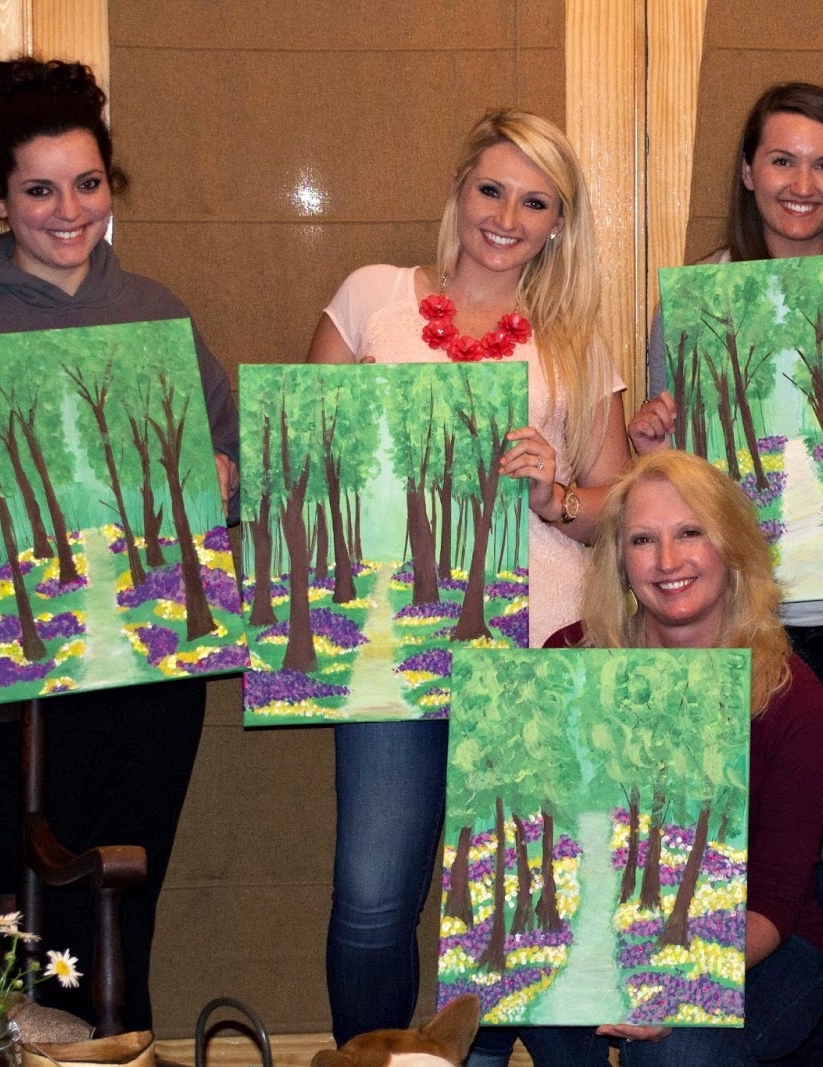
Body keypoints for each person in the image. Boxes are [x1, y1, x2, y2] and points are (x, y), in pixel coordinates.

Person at [0, 56, 239, 1030]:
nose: (69, 211)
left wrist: (225, 477)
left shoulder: (156, 314)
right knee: (20, 915)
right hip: (11, 680)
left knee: (125, 898)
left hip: (149, 674)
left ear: (111, 185)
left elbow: (233, 454)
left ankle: (121, 1046)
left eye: (87, 183)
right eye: (39, 190)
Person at [305, 109, 630, 1046]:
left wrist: (554, 492)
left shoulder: (575, 340)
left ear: (559, 223)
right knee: (372, 895)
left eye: (536, 202)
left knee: (511, 901)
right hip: (390, 639)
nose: (507, 217)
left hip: (534, 647)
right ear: (458, 190)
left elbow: (619, 505)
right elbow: (308, 465)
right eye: (492, 189)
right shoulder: (372, 298)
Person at [493, 448, 823, 1065]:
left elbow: (776, 901)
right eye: (643, 540)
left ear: (731, 546)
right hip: (600, 931)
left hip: (761, 944)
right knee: (543, 1005)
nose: (668, 561)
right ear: (620, 560)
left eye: (690, 533)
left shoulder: (790, 695)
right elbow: (535, 854)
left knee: (679, 1048)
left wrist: (667, 979)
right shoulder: (568, 661)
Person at [626, 81, 823, 727]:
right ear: (748, 172)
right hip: (738, 618)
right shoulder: (695, 302)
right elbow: (678, 482)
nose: (803, 184)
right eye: (782, 161)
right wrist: (658, 453)